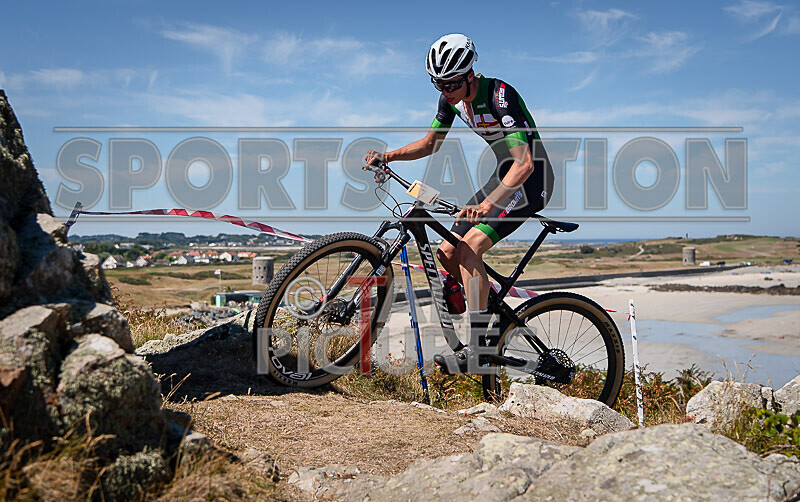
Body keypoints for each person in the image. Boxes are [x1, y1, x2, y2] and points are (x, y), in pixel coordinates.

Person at [364, 34, 554, 374]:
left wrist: (488, 205)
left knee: (469, 248)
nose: (445, 90)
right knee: (447, 253)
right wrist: (387, 156)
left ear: (469, 75)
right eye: (438, 83)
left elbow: (524, 164)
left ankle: (479, 347)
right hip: (503, 177)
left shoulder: (499, 96)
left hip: (531, 180)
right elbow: (430, 144)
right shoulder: (450, 101)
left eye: (451, 83)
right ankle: (487, 307)